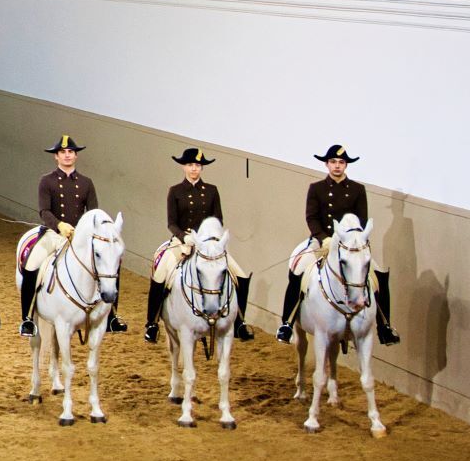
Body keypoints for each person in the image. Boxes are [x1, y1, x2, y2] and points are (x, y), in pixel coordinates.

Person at [278, 144, 401, 346]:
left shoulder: (357, 190)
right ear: (327, 164)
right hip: (322, 242)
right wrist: (324, 238)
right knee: (298, 271)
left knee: (379, 275)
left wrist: (350, 242)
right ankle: (287, 323)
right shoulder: (316, 188)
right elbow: (311, 217)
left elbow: (361, 221)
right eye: (333, 162)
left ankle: (384, 326)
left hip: (349, 246)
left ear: (346, 166)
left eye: (341, 163)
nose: (337, 166)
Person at [143, 146, 253, 343]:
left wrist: (211, 238)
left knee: (241, 276)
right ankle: (152, 323)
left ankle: (239, 322)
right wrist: (183, 236)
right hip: (182, 242)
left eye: (198, 165)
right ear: (184, 167)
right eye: (190, 165)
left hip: (208, 244)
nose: (194, 169)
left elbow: (218, 218)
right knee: (160, 275)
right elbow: (171, 222)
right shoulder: (175, 191)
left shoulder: (211, 191)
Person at [20, 133, 123, 336]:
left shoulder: (86, 183)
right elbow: (44, 211)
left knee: (110, 262)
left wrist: (87, 232)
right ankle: (27, 318)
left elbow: (94, 212)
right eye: (63, 152)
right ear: (56, 157)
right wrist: (60, 226)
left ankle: (112, 316)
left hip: (80, 237)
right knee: (32, 265)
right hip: (53, 234)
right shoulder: (47, 181)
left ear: (75, 156)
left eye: (71, 152)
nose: (67, 155)